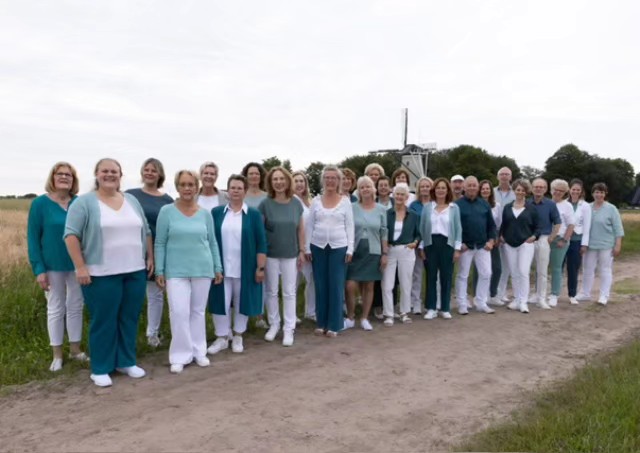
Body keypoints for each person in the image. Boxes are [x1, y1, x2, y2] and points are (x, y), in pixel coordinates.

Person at [64, 158, 153, 387]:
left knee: (129, 317)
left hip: (134, 270)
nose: (109, 175)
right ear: (96, 174)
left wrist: (150, 257)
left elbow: (146, 230)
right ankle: (101, 367)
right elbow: (71, 235)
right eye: (105, 171)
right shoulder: (84, 203)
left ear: (120, 175)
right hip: (101, 273)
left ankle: (126, 361)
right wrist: (80, 266)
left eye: (114, 171)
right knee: (104, 320)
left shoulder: (131, 200)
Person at [155, 170, 223, 374]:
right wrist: (159, 269)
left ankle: (198, 351)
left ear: (197, 187)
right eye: (183, 184)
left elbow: (212, 242)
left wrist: (217, 267)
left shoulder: (204, 214)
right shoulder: (166, 211)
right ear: (177, 187)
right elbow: (160, 242)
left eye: (191, 184)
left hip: (203, 268)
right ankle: (179, 355)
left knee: (198, 312)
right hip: (175, 271)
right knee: (179, 312)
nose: (187, 188)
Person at [28, 162, 87, 372]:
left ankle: (75, 349)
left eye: (68, 175)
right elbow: (33, 238)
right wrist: (39, 269)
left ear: (73, 180)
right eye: (60, 174)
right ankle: (57, 355)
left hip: (77, 265)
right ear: (52, 178)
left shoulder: (79, 203)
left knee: (76, 306)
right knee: (55, 308)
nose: (64, 177)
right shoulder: (40, 204)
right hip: (51, 265)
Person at [207, 175, 267, 354]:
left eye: (239, 188)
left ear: (245, 191)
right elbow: (210, 240)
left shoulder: (254, 215)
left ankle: (239, 335)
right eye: (232, 187)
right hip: (222, 267)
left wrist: (260, 267)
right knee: (220, 302)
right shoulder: (216, 213)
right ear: (228, 190)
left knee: (242, 302)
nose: (235, 191)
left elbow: (261, 243)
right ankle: (222, 337)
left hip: (245, 267)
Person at [126, 158, 174, 347]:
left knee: (155, 294)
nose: (149, 173)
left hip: (159, 250)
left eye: (153, 170)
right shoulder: (130, 195)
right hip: (133, 249)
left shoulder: (167, 200)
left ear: (160, 174)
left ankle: (152, 334)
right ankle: (129, 335)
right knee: (133, 294)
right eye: (146, 169)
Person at [305, 166, 354, 337]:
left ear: (338, 181)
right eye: (327, 177)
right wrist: (306, 247)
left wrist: (350, 249)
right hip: (318, 247)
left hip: (339, 247)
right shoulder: (316, 201)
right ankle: (321, 322)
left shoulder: (345, 201)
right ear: (323, 180)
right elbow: (310, 225)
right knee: (320, 284)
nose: (330, 180)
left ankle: (335, 324)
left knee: (336, 285)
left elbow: (350, 226)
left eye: (334, 178)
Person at [259, 167, 305, 346]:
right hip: (270, 254)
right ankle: (274, 324)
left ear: (287, 181)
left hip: (290, 254)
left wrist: (302, 250)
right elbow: (261, 230)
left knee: (289, 292)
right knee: (271, 291)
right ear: (271, 182)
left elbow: (300, 229)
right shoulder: (265, 204)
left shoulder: (296, 203)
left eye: (281, 179)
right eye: (275, 179)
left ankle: (289, 328)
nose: (278, 182)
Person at [345, 176, 388, 331]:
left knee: (369, 285)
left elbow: (384, 232)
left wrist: (385, 253)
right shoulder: (352, 207)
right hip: (355, 250)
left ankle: (364, 317)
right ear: (359, 190)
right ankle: (350, 317)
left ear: (373, 189)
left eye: (368, 186)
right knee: (350, 285)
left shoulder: (381, 209)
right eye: (362, 187)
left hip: (374, 250)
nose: (365, 190)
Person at [419, 178, 462, 319]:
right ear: (434, 190)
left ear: (447, 190)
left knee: (446, 276)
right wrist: (421, 247)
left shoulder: (454, 208)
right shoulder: (427, 208)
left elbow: (458, 228)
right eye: (438, 188)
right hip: (430, 244)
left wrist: (457, 248)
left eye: (443, 188)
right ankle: (431, 308)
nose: (440, 190)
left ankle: (445, 308)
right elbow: (422, 228)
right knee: (431, 276)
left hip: (447, 244)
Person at [455, 176, 497, 315]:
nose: (472, 188)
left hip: (482, 246)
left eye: (474, 185)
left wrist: (491, 241)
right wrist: (460, 243)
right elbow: (454, 227)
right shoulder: (457, 205)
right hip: (465, 246)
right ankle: (462, 303)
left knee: (486, 273)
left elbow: (491, 225)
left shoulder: (484, 204)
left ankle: (481, 302)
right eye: (469, 185)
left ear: (478, 187)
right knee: (463, 275)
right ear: (464, 187)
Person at [577, 183, 624, 305]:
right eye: (597, 192)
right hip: (589, 245)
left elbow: (618, 228)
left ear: (605, 194)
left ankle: (604, 296)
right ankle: (585, 293)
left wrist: (618, 244)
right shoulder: (587, 207)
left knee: (605, 270)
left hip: (606, 245)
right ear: (592, 193)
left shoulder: (611, 209)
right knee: (587, 269)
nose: (599, 195)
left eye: (602, 192)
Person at [381, 183, 420, 326]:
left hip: (407, 250)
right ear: (393, 195)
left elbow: (418, 234)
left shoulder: (413, 215)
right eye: (397, 194)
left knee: (405, 283)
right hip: (390, 250)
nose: (399, 197)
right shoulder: (386, 214)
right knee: (387, 284)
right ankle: (389, 314)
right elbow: (382, 232)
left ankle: (404, 312)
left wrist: (415, 242)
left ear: (407, 197)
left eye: (402, 194)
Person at [500, 179, 540, 313]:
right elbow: (503, 225)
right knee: (514, 273)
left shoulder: (531, 208)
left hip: (525, 244)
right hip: (509, 244)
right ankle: (516, 299)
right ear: (514, 190)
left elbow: (538, 227)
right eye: (518, 189)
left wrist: (534, 237)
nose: (520, 192)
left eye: (523, 190)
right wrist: (501, 236)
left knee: (523, 272)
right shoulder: (507, 207)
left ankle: (523, 302)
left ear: (526, 192)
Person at [529, 178, 561, 309]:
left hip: (543, 239)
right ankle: (523, 297)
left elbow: (557, 222)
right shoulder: (526, 203)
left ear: (546, 189)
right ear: (532, 188)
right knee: (524, 270)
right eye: (536, 187)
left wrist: (551, 238)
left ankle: (541, 298)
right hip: (528, 240)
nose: (538, 189)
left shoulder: (550, 204)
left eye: (541, 187)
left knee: (542, 271)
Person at [547, 179, 575, 307]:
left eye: (561, 190)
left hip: (559, 240)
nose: (557, 192)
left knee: (556, 268)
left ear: (565, 192)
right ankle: (539, 294)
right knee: (541, 268)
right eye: (556, 189)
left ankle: (554, 294)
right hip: (544, 239)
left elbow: (571, 225)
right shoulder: (545, 203)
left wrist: (564, 240)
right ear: (551, 189)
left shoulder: (567, 206)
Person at [292, 171, 315, 321]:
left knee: (311, 280)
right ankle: (291, 314)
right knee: (293, 283)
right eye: (296, 181)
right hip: (295, 248)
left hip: (310, 247)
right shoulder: (291, 201)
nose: (300, 184)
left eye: (302, 181)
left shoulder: (309, 202)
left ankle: (310, 311)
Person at [408, 176, 434, 314]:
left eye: (427, 186)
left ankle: (431, 301)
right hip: (417, 245)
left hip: (433, 244)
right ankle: (415, 301)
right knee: (416, 274)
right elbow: (412, 226)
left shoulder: (435, 204)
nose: (425, 188)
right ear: (418, 189)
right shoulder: (414, 206)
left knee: (432, 274)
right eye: (422, 186)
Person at [565, 179, 591, 305]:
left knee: (573, 269)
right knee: (558, 268)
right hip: (563, 240)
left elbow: (587, 226)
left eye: (578, 190)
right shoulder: (563, 203)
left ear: (581, 192)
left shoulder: (585, 206)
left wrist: (584, 244)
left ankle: (572, 294)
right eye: (573, 189)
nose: (575, 191)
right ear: (569, 190)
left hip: (577, 241)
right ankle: (554, 294)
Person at [477, 180, 502, 305]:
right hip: (480, 238)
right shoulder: (476, 204)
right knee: (480, 269)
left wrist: (496, 237)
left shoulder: (496, 205)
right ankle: (479, 296)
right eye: (483, 189)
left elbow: (499, 223)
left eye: (487, 188)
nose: (485, 191)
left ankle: (493, 294)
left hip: (493, 238)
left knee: (497, 268)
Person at [494, 167, 516, 304]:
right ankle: (491, 293)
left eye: (507, 174)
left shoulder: (516, 193)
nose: (504, 176)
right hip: (492, 232)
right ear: (498, 177)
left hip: (509, 232)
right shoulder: (491, 192)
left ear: (510, 177)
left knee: (506, 265)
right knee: (494, 265)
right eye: (501, 174)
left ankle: (501, 293)